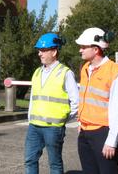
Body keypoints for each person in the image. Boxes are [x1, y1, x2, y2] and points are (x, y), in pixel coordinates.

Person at [24, 32, 78, 174]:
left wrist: (63, 119)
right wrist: (30, 118)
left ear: (54, 52)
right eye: (39, 50)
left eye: (43, 50)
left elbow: (76, 102)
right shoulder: (37, 72)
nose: (39, 54)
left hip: (53, 128)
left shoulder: (65, 73)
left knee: (54, 164)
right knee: (30, 160)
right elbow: (33, 98)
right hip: (34, 126)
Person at [76, 27, 118, 174]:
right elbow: (85, 98)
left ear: (96, 49)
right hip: (85, 132)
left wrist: (112, 141)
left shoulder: (115, 72)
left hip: (103, 133)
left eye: (83, 47)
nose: (80, 50)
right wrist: (80, 123)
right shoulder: (85, 68)